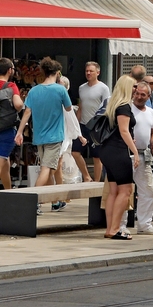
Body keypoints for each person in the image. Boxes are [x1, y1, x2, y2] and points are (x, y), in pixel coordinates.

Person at [14, 57, 72, 214]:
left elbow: (27, 112)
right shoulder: (60, 90)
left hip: (39, 136)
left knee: (49, 169)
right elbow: (68, 108)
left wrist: (19, 132)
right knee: (46, 169)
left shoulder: (34, 90)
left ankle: (55, 201)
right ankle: (33, 201)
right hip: (55, 137)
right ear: (57, 72)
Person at [94, 75, 141, 240]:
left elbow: (120, 131)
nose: (136, 89)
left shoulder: (113, 105)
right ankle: (114, 229)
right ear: (127, 87)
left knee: (113, 191)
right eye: (134, 86)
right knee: (126, 190)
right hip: (118, 151)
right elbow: (124, 131)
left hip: (108, 150)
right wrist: (135, 152)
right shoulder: (124, 107)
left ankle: (110, 229)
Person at [119, 81, 153, 236]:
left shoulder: (150, 112)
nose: (139, 97)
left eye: (143, 94)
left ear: (149, 96)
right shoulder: (126, 108)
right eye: (137, 93)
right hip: (126, 153)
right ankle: (121, 224)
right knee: (125, 191)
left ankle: (144, 224)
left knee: (148, 190)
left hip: (144, 154)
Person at [77, 62, 109, 183]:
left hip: (97, 126)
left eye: (91, 71)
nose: (88, 73)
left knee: (97, 156)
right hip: (83, 125)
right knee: (75, 151)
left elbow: (106, 107)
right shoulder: (81, 88)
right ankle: (87, 176)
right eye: (87, 71)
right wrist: (76, 124)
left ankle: (96, 182)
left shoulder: (103, 88)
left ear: (98, 72)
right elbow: (81, 106)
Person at [0, 58, 25, 191]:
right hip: (6, 129)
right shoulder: (11, 86)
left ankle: (8, 192)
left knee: (5, 164)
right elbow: (19, 104)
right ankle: (7, 195)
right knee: (2, 160)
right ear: (10, 71)